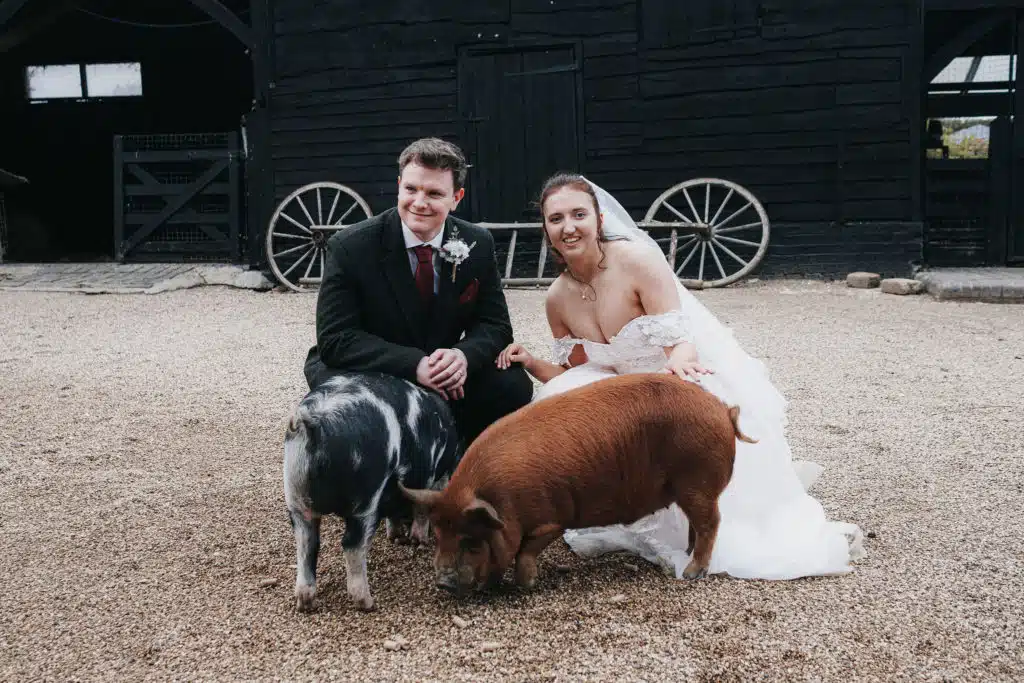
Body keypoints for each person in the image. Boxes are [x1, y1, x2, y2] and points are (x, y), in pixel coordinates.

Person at [495, 172, 865, 580]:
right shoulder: (557, 298)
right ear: (546, 229)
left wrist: (678, 367)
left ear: (599, 219)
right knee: (559, 401)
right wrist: (529, 361)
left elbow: (680, 341)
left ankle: (711, 519)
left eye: (579, 214)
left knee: (689, 417)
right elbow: (577, 371)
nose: (569, 227)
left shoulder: (637, 261)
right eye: (556, 219)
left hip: (667, 373)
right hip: (621, 394)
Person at [303, 138, 534, 445]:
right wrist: (415, 365)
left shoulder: (476, 243)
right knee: (362, 411)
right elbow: (336, 339)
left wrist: (461, 357)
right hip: (375, 364)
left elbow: (496, 325)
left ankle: (459, 457)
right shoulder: (350, 246)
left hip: (442, 361)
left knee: (512, 385)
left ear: (457, 197)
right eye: (411, 189)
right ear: (399, 185)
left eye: (434, 193)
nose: (419, 202)